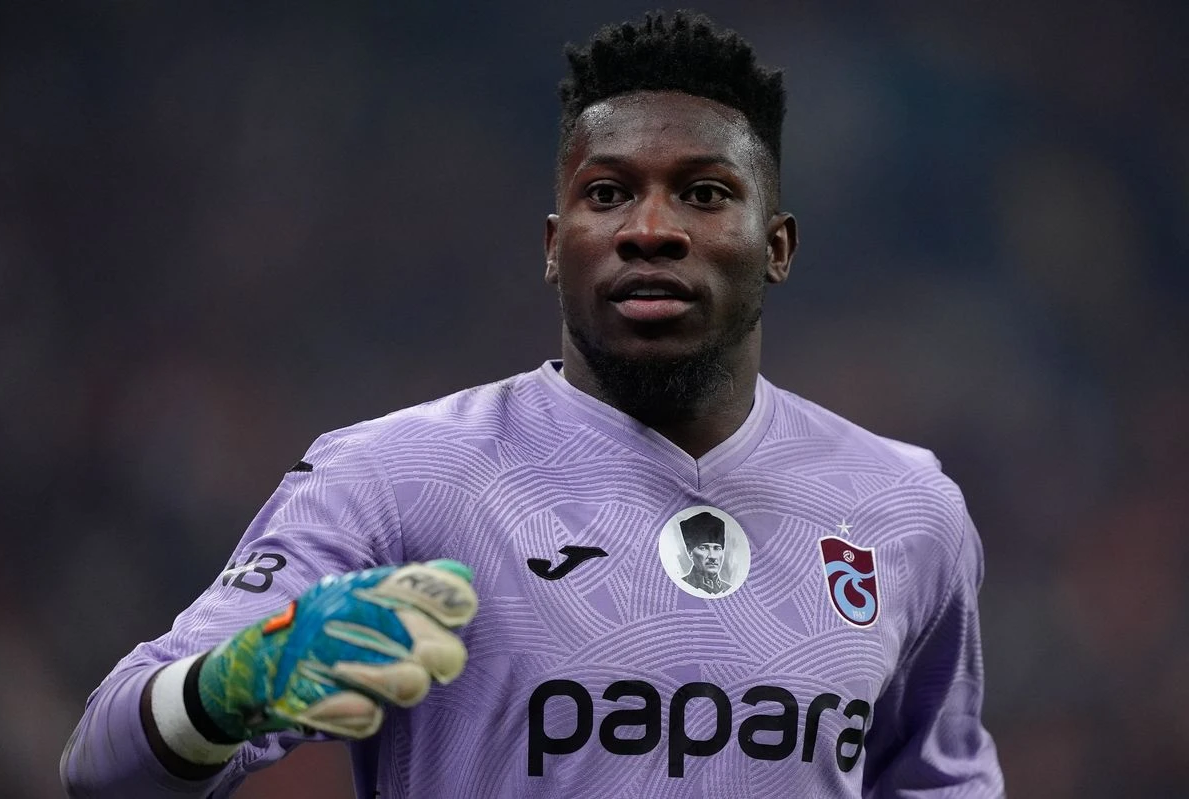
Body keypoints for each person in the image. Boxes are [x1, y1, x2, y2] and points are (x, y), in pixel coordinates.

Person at [61, 11, 1004, 797]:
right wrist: (227, 689)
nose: (650, 229)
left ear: (778, 245)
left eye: (705, 193)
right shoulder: (395, 478)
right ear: (556, 245)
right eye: (609, 192)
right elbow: (101, 766)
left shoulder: (906, 507)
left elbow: (942, 780)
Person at [679, 511, 732, 594]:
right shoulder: (682, 585)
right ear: (689, 552)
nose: (712, 556)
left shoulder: (729, 589)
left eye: (717, 548)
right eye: (703, 548)